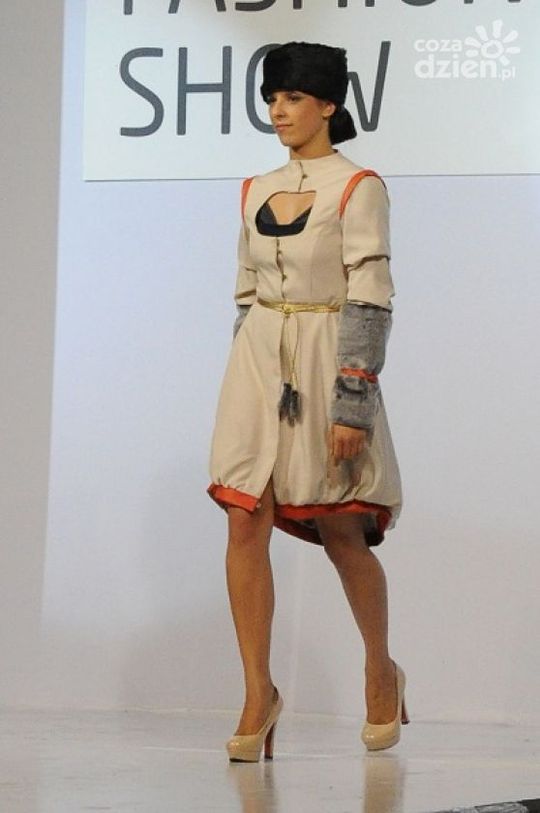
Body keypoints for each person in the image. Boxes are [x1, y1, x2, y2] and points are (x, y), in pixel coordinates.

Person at [207, 41, 407, 761]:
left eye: (292, 97)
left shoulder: (358, 186)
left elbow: (370, 294)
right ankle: (258, 693)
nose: (278, 111)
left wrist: (353, 398)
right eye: (272, 98)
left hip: (326, 361)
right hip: (258, 362)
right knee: (244, 516)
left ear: (328, 104)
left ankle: (380, 669)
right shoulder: (255, 187)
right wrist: (249, 361)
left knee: (342, 527)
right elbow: (245, 289)